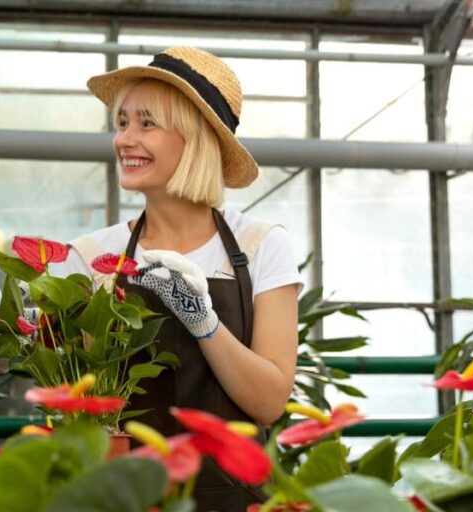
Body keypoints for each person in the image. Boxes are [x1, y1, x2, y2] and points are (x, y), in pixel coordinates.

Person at [61, 47, 302, 511]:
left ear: (195, 139)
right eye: (123, 122)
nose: (124, 140)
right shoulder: (93, 257)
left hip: (236, 499)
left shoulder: (260, 246)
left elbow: (269, 402)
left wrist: (205, 324)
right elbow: (82, 397)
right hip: (127, 498)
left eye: (146, 124)